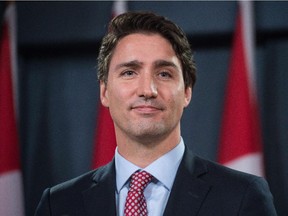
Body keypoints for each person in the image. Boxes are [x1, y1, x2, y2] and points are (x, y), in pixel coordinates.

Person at [35, 11, 277, 216]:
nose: (147, 90)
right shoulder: (58, 205)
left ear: (187, 93)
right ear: (105, 91)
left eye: (164, 74)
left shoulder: (242, 197)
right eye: (129, 72)